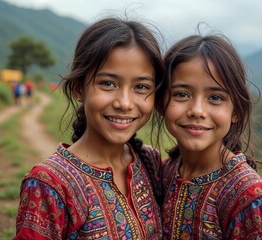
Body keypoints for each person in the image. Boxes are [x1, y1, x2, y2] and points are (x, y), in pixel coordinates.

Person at [14, 17, 165, 239]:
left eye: (141, 87)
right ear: (79, 88)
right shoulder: (49, 185)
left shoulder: (149, 161)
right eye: (108, 83)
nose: (124, 102)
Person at [159, 34, 262, 239]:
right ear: (161, 103)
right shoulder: (165, 173)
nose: (197, 110)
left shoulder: (249, 199)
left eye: (215, 98)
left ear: (235, 111)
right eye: (182, 94)